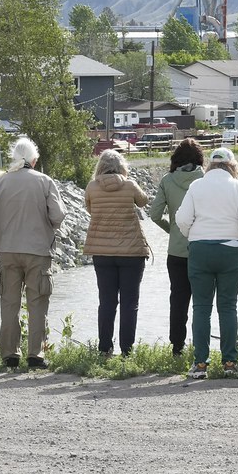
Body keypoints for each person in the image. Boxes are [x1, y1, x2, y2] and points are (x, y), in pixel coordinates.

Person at [0, 138, 66, 369]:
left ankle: (10, 354)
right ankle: (35, 355)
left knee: (9, 303)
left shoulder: (1, 182)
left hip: (8, 251)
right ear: (34, 160)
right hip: (37, 251)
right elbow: (58, 216)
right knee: (37, 302)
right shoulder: (44, 181)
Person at [176, 147, 238, 378]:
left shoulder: (196, 186)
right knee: (228, 306)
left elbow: (182, 219)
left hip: (200, 249)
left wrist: (193, 235)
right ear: (232, 165)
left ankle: (200, 364)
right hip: (231, 250)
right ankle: (230, 363)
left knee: (201, 307)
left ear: (209, 165)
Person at [85, 149, 151, 357]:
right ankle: (127, 351)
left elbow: (90, 209)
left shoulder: (92, 187)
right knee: (130, 303)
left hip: (102, 253)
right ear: (122, 167)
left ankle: (104, 348)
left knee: (106, 301)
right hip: (131, 252)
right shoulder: (129, 185)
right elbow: (143, 202)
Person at [148, 138, 205, 356]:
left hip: (176, 251)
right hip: (202, 248)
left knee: (178, 300)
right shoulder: (205, 178)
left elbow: (154, 215)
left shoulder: (167, 180)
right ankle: (201, 348)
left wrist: (171, 229)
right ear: (199, 158)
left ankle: (177, 347)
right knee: (202, 302)